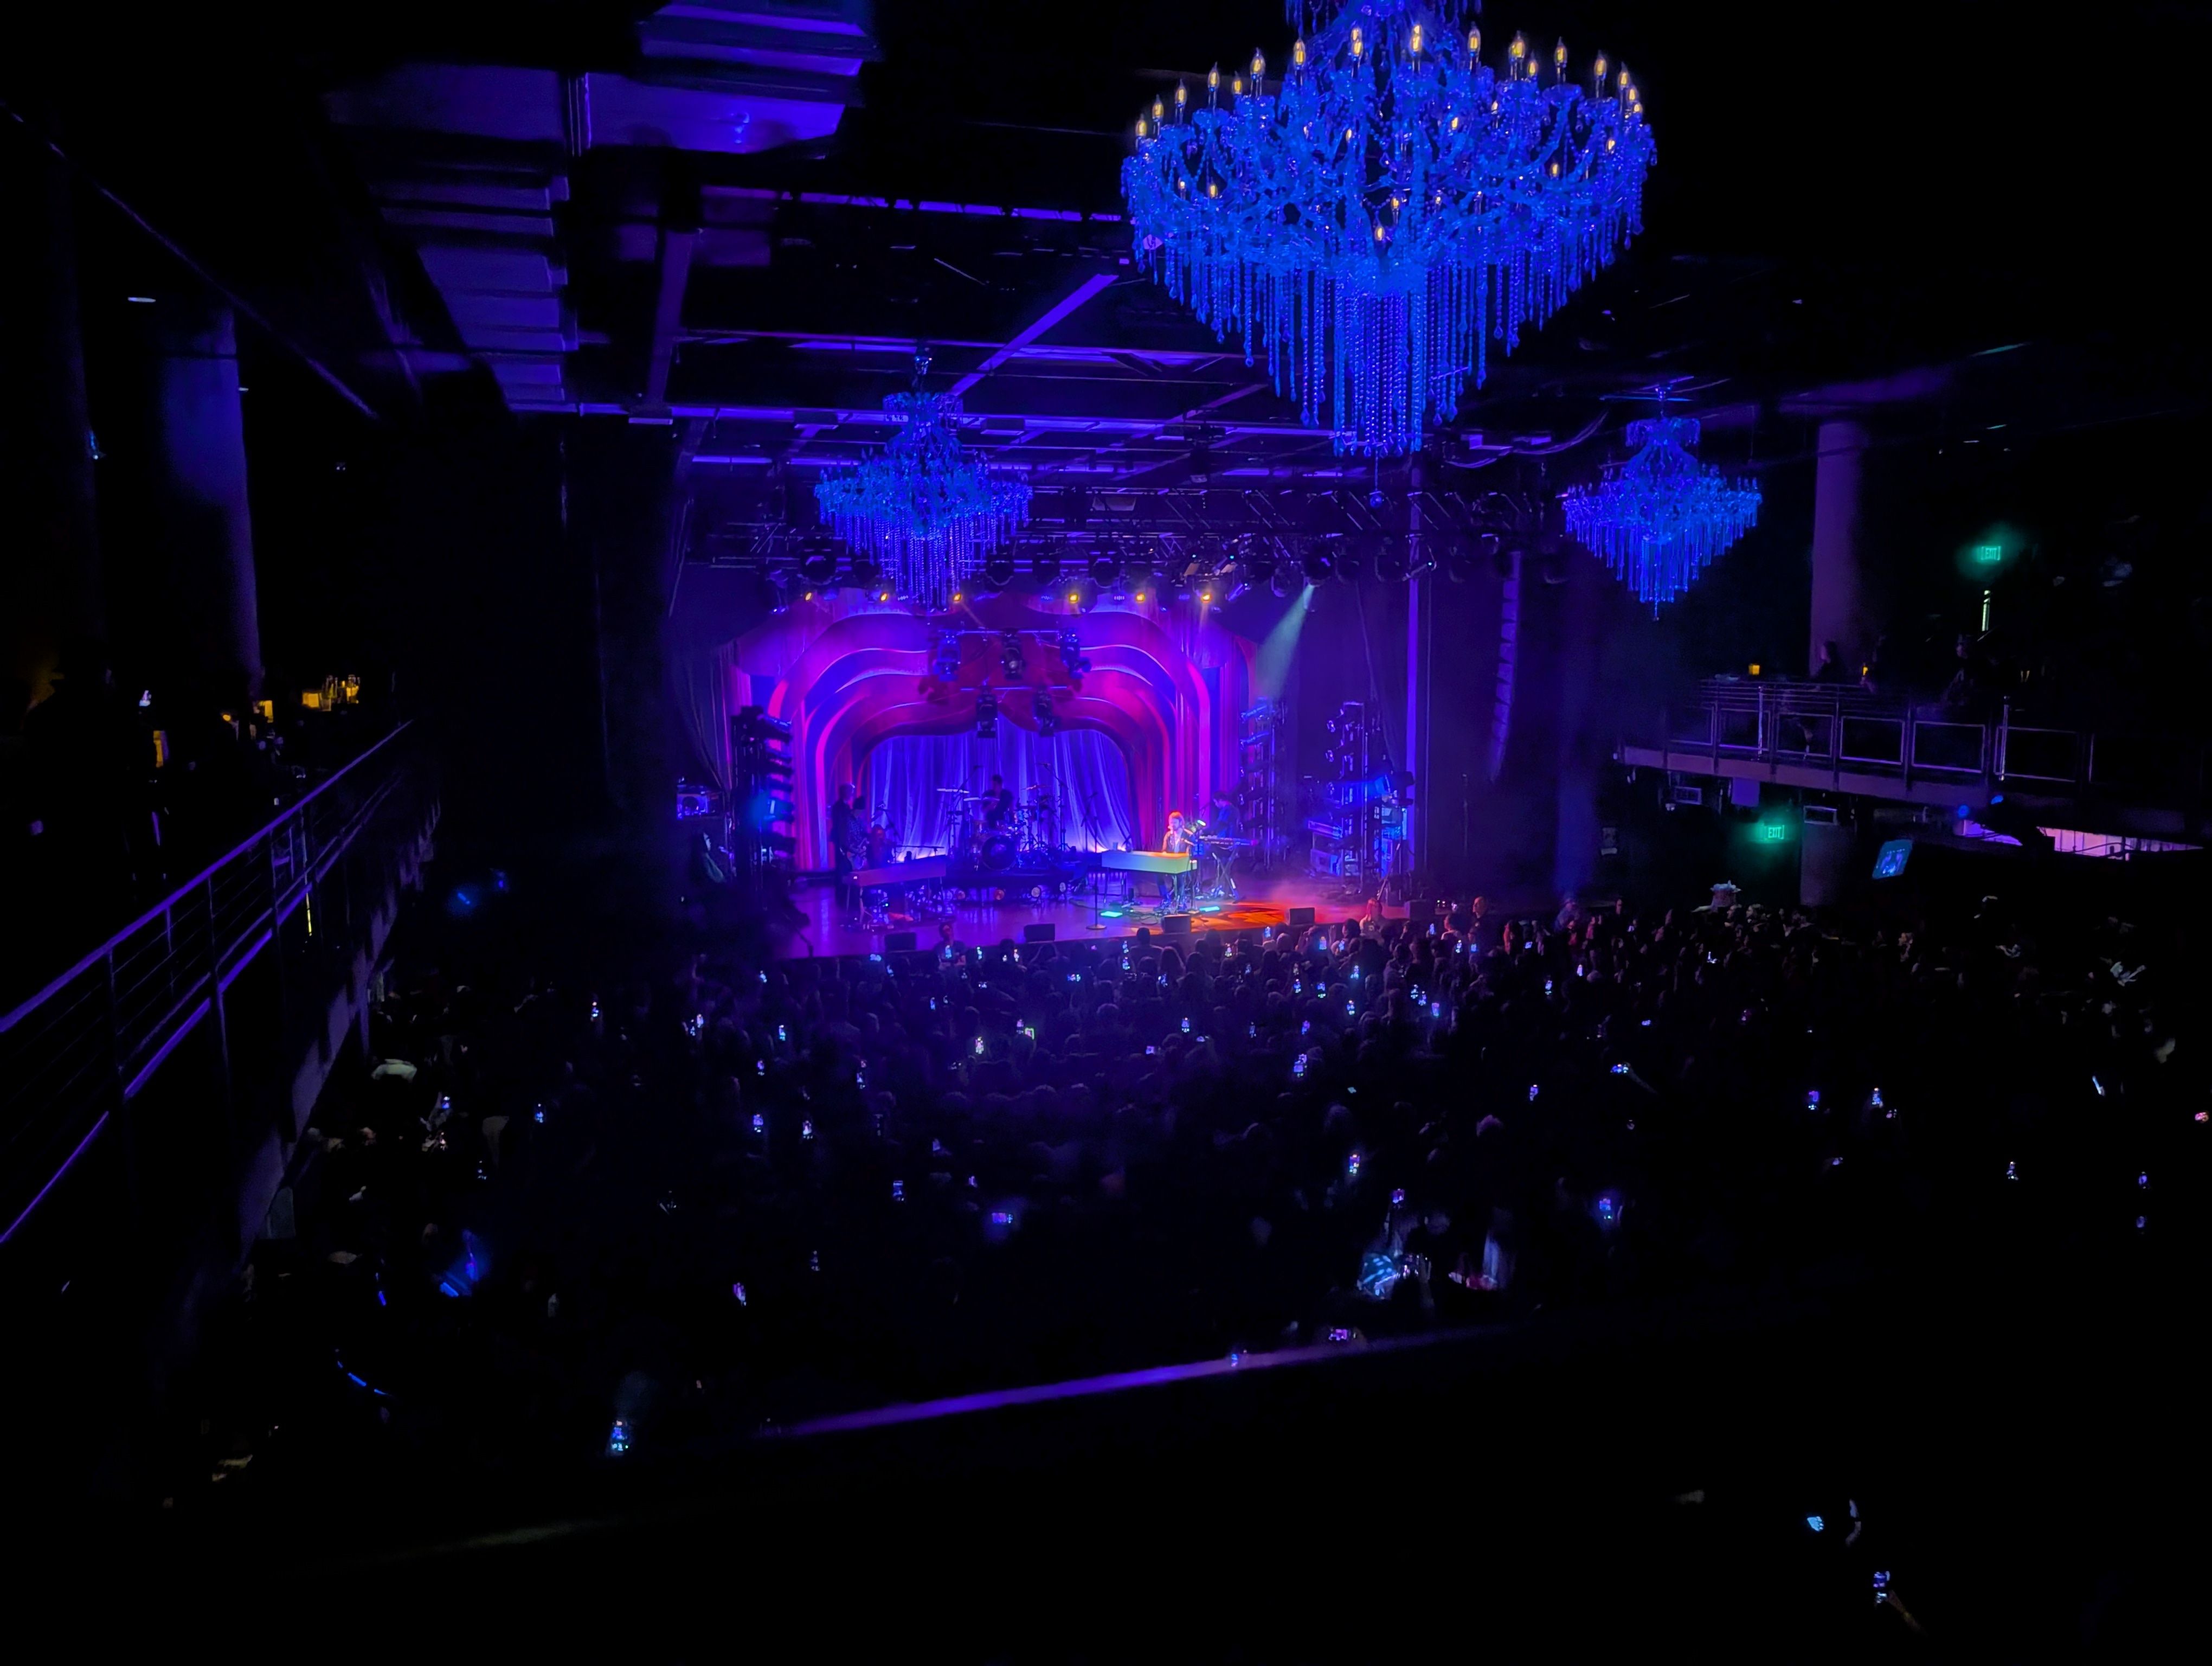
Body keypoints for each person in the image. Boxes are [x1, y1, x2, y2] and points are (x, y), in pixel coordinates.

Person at [829, 783, 860, 913]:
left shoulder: (846, 806)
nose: (852, 794)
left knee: (845, 868)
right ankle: (841, 897)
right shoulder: (838, 807)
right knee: (841, 869)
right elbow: (840, 826)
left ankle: (846, 896)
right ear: (845, 792)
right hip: (841, 841)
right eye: (850, 792)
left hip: (845, 841)